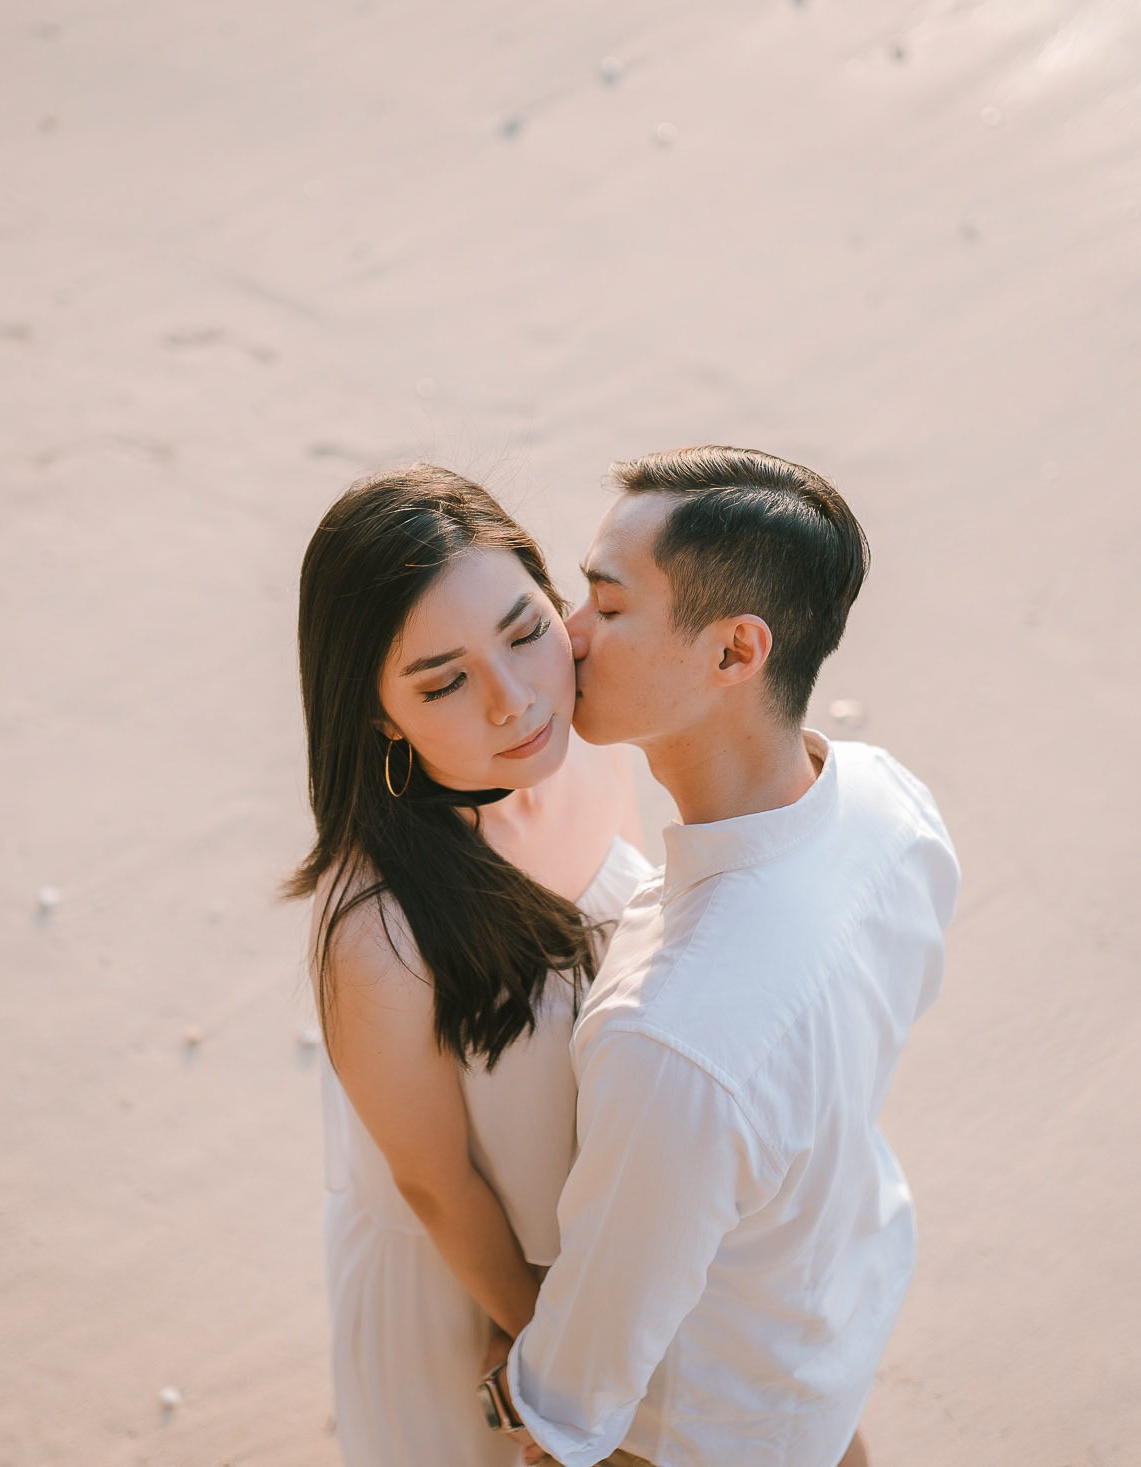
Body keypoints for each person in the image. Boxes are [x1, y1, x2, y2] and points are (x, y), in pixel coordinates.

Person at [490, 446, 962, 1467]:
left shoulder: (672, 1038)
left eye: (608, 609)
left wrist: (507, 1411)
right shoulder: (891, 805)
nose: (566, 637)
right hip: (830, 1321)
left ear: (734, 652)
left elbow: (579, 1387)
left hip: (699, 1427)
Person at [285, 465, 651, 1466]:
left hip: (603, 1240)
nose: (512, 702)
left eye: (527, 632)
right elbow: (437, 1184)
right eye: (442, 682)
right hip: (471, 1286)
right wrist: (555, 1350)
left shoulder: (585, 750)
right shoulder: (377, 929)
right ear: (374, 716)